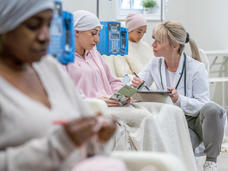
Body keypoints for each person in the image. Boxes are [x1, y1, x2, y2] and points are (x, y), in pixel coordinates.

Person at [65, 10, 197, 171]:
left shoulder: (94, 54)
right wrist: (100, 100)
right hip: (98, 106)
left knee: (171, 111)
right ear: (76, 32)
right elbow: (67, 93)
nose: (97, 39)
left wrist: (122, 92)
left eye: (98, 34)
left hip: (115, 102)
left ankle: (187, 166)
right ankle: (159, 166)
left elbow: (112, 79)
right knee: (146, 117)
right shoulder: (64, 59)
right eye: (93, 34)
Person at [0, 1, 116, 171]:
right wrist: (61, 143)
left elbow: (85, 144)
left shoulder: (49, 68)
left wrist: (98, 138)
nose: (45, 36)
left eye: (49, 25)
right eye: (33, 26)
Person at [132, 20, 226, 171]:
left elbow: (203, 104)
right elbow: (140, 82)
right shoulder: (154, 64)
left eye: (158, 41)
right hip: (173, 120)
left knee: (214, 110)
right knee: (177, 150)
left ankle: (211, 162)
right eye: (153, 39)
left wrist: (179, 99)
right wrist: (136, 83)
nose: (153, 44)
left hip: (196, 122)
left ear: (174, 45)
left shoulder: (196, 68)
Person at [113, 13, 154, 77]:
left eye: (144, 32)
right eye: (139, 32)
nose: (141, 35)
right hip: (138, 84)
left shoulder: (146, 46)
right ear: (129, 30)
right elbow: (123, 74)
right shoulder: (121, 47)